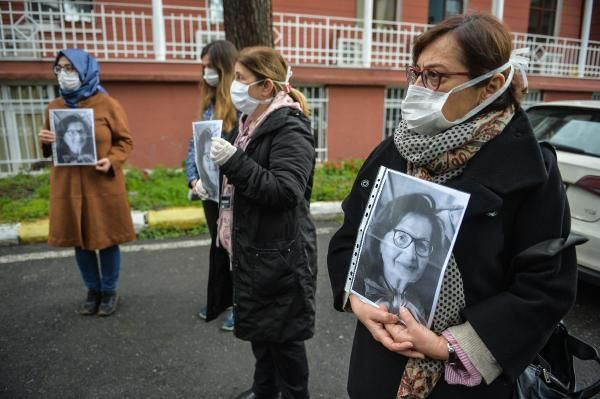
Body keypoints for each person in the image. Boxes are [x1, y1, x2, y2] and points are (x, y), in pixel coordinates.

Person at [327, 13, 581, 399]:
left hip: (462, 383)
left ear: (490, 86)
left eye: (436, 76)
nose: (418, 89)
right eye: (415, 73)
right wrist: (359, 301)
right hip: (377, 368)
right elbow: (350, 237)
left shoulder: (532, 173)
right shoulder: (397, 148)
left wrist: (449, 347)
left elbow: (544, 288)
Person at [209, 46, 317, 399]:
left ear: (266, 86)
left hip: (280, 254)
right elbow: (245, 182)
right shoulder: (251, 122)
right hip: (256, 248)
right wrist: (211, 183)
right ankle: (264, 390)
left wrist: (233, 162)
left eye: (240, 79)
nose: (233, 86)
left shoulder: (290, 127)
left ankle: (293, 395)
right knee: (262, 332)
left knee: (283, 339)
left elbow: (286, 191)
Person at [38, 48, 135, 317]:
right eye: (59, 68)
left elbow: (125, 141)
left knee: (106, 238)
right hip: (68, 185)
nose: (64, 74)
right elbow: (48, 150)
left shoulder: (107, 105)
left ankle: (109, 291)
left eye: (70, 68)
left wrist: (112, 160)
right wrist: (45, 141)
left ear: (85, 70)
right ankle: (92, 291)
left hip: (101, 183)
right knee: (78, 240)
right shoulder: (54, 107)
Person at [185, 39, 239, 331]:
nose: (206, 72)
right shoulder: (208, 103)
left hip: (232, 191)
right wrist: (193, 178)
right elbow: (193, 144)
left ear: (224, 67)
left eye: (210, 66)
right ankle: (220, 300)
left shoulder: (240, 106)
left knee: (235, 248)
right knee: (218, 245)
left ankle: (240, 305)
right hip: (209, 191)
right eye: (203, 66)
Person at [355, 193, 445, 326]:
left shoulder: (428, 308)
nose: (410, 255)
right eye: (402, 237)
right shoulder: (359, 286)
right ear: (380, 240)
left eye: (422, 245)